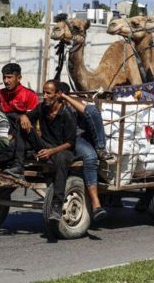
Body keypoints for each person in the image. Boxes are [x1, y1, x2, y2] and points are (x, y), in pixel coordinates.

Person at [19, 79, 76, 221]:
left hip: (62, 150)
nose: (44, 96)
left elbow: (70, 143)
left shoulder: (67, 114)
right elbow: (28, 116)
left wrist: (51, 152)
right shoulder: (42, 107)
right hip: (44, 146)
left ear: (58, 94)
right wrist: (24, 116)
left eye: (48, 93)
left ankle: (57, 205)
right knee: (23, 126)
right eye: (44, 92)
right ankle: (17, 166)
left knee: (62, 160)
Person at [56, 82, 109, 221]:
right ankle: (96, 204)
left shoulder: (72, 105)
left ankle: (100, 148)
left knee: (92, 110)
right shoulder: (48, 107)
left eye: (54, 94)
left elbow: (88, 112)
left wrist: (66, 98)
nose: (48, 96)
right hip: (67, 141)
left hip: (81, 139)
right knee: (90, 157)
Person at [0, 63, 39, 177]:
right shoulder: (0, 94)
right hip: (8, 133)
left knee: (21, 122)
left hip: (26, 136)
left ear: (19, 78)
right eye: (4, 77)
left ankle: (18, 166)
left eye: (9, 77)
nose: (6, 81)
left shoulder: (30, 95)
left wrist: (21, 116)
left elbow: (31, 122)